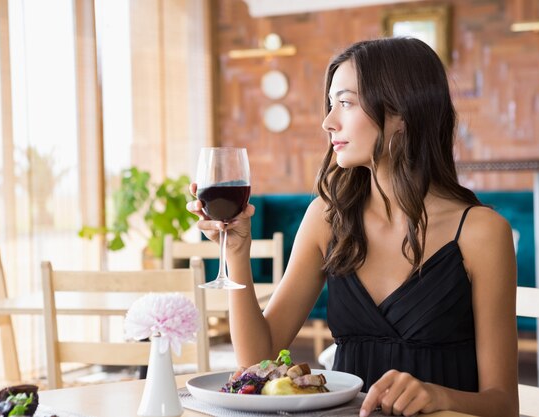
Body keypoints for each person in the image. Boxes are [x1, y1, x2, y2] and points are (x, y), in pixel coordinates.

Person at [188, 37, 519, 417]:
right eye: (331, 105)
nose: (328, 122)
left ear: (402, 114)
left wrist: (439, 396)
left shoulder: (481, 232)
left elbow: (504, 404)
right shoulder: (326, 219)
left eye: (344, 103)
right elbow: (256, 361)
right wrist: (236, 252)